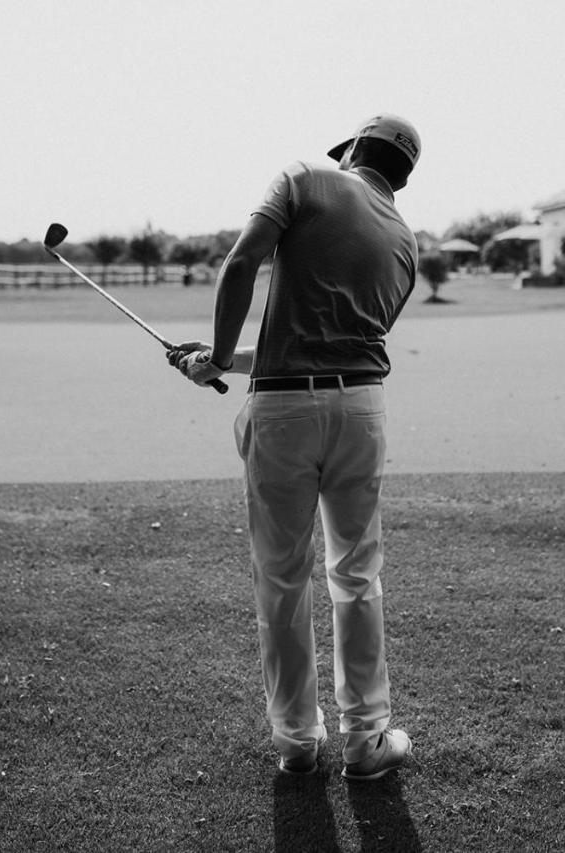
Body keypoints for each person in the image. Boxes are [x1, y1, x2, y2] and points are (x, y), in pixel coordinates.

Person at [168, 114, 421, 780]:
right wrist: (219, 360)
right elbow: (330, 343)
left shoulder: (307, 177)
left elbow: (243, 260)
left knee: (282, 578)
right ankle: (366, 742)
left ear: (357, 151)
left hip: (283, 412)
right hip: (362, 407)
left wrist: (218, 355)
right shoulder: (404, 241)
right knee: (356, 573)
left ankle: (297, 743)